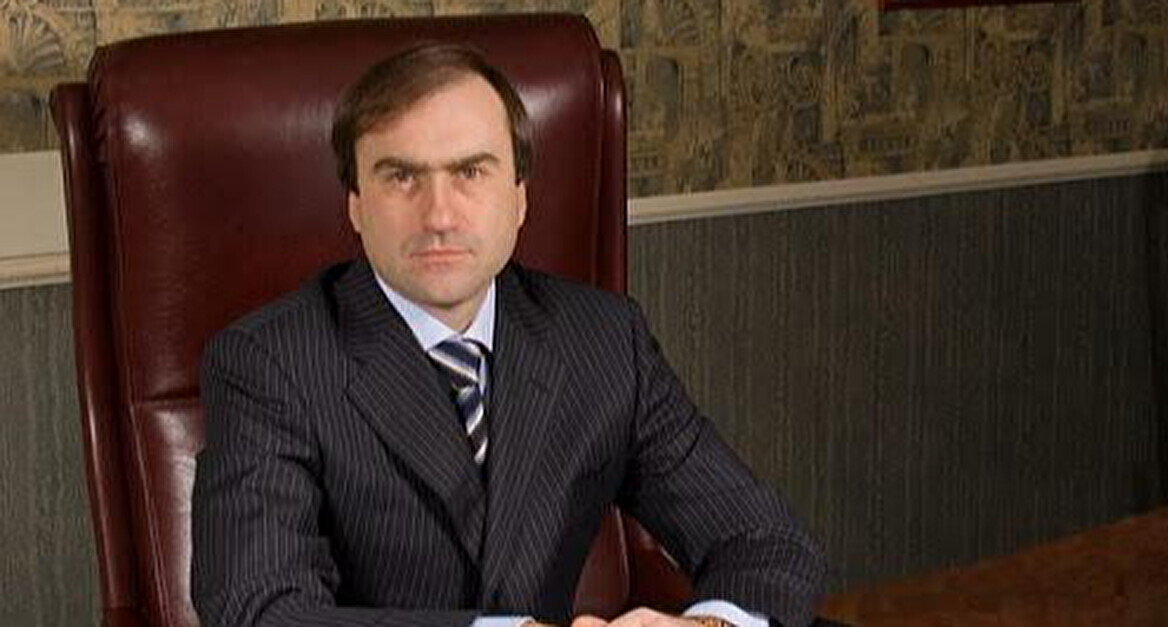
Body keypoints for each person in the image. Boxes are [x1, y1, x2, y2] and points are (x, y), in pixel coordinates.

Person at [191, 43, 826, 627]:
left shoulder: (604, 339)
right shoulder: (267, 364)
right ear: (355, 203)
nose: (439, 215)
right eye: (401, 176)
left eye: (471, 171)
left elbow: (764, 541)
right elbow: (259, 611)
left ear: (519, 197)